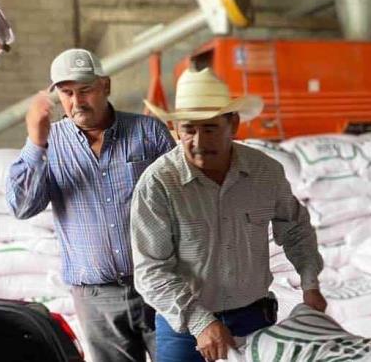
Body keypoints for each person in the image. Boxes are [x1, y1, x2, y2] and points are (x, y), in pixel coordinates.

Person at [131, 67, 327, 362]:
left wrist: (310, 285)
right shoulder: (158, 183)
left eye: (209, 129)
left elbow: (295, 228)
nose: (197, 142)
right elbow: (150, 270)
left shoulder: (264, 172)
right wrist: (202, 323)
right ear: (176, 129)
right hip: (183, 325)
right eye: (188, 129)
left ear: (233, 124)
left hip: (253, 318)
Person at [6, 48, 174, 362]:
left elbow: (185, 204)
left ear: (106, 86)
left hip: (159, 285)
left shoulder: (148, 132)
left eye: (86, 90)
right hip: (95, 298)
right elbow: (22, 207)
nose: (77, 101)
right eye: (67, 93)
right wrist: (35, 142)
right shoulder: (50, 143)